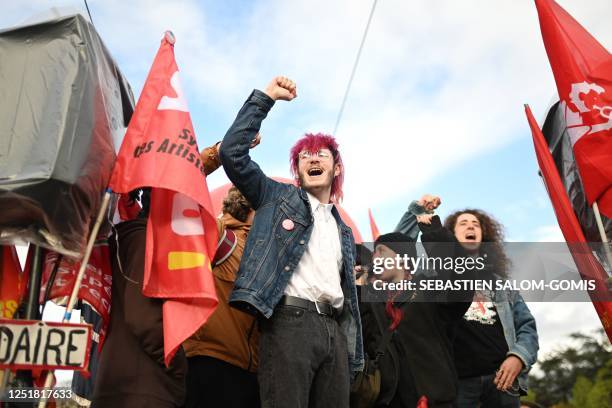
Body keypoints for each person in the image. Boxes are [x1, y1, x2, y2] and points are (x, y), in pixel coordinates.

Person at [219, 76, 363, 408]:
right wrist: (266, 98)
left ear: (335, 167)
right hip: (289, 324)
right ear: (297, 170)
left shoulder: (343, 230)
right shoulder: (275, 197)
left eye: (321, 155)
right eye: (305, 156)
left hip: (335, 333)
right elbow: (232, 153)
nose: (313, 159)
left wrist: (350, 349)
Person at [91, 142, 231, 408]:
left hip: (141, 386)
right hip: (140, 389)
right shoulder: (142, 238)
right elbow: (143, 317)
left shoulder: (142, 238)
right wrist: (176, 362)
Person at [437, 210, 538, 408]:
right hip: (456, 384)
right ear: (451, 235)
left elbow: (527, 327)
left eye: (475, 223)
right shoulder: (437, 276)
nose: (471, 226)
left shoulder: (502, 285)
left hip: (502, 383)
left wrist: (519, 357)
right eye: (463, 223)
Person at [182, 186, 260, 408]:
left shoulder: (264, 251)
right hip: (209, 364)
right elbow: (183, 196)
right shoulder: (218, 232)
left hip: (250, 373)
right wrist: (215, 156)